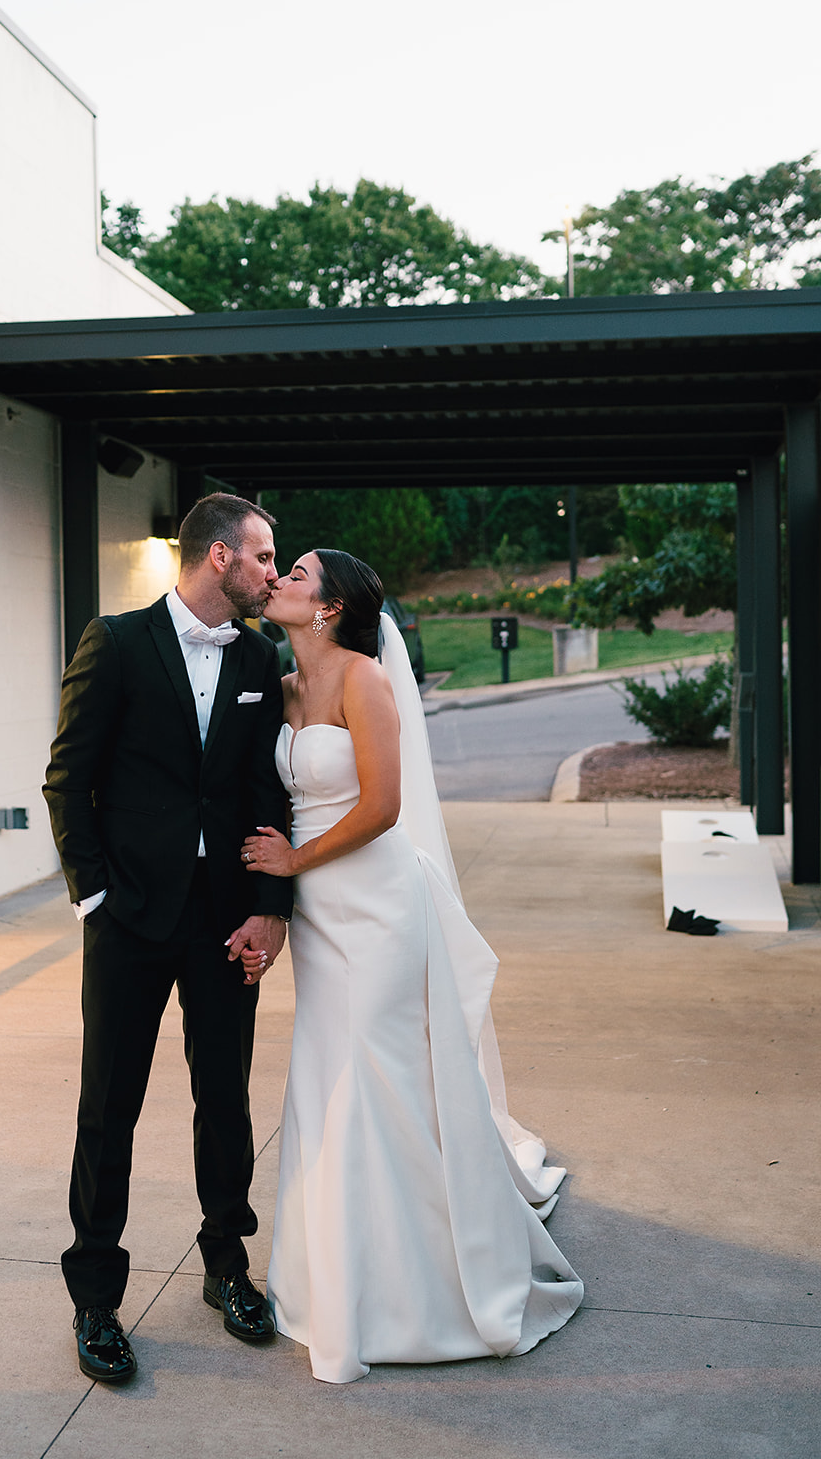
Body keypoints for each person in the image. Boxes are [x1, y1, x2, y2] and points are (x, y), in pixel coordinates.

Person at [241, 548, 584, 1383]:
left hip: (379, 905)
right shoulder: (284, 688)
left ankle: (418, 1290)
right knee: (329, 1077)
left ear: (327, 608)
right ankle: (334, 1273)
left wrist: (296, 862)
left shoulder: (365, 680)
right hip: (321, 919)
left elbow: (385, 806)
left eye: (297, 574)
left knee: (377, 1078)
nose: (280, 577)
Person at [43, 493, 294, 1385]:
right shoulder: (113, 642)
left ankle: (227, 1268)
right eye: (265, 557)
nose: (275, 572)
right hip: (128, 918)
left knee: (225, 1099)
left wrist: (269, 908)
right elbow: (66, 777)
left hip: (224, 919)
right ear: (219, 556)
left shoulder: (263, 657)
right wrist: (94, 898)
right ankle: (95, 1299)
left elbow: (272, 796)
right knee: (109, 1106)